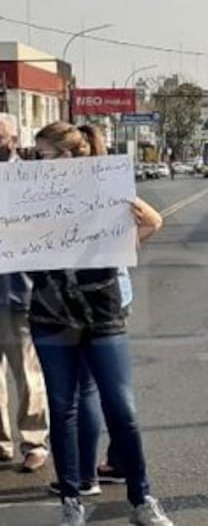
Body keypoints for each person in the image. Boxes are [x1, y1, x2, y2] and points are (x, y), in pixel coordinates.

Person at [27, 121, 173, 526]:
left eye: (45, 155)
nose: (39, 161)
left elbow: (151, 222)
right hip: (50, 314)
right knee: (62, 407)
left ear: (70, 156)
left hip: (102, 313)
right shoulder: (31, 195)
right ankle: (71, 499)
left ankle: (142, 498)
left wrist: (139, 225)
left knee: (121, 406)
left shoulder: (105, 189)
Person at [0, 114, 50, 473]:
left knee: (27, 374)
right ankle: (0, 444)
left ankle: (33, 442)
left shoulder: (32, 181)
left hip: (18, 293)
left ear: (14, 139)